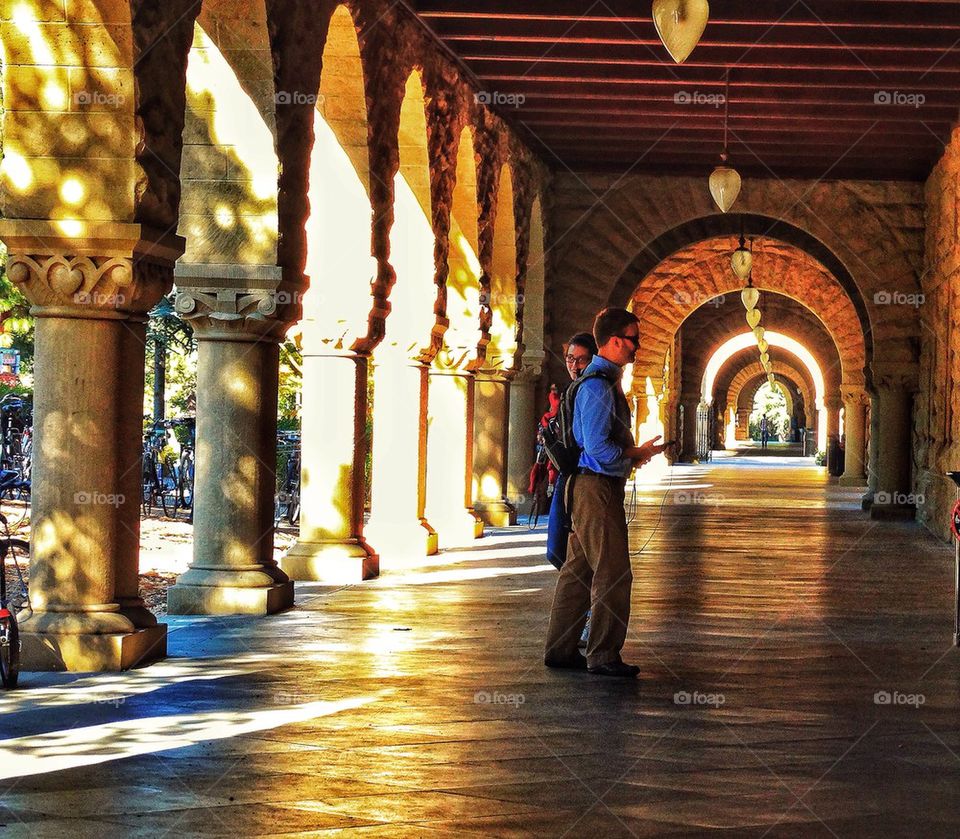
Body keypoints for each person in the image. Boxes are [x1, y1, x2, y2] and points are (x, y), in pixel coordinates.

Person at [543, 307, 670, 678]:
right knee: (613, 573)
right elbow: (597, 448)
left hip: (585, 487)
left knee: (578, 571)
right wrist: (634, 453)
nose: (637, 347)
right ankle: (603, 654)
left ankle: (560, 649)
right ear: (614, 340)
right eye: (633, 339)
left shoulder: (600, 381)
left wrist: (631, 457)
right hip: (595, 491)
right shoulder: (598, 385)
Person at [546, 332, 598, 570]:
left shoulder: (590, 389)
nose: (574, 366)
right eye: (569, 359)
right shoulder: (573, 388)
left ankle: (585, 602)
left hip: (581, 476)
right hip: (567, 474)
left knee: (566, 547)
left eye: (581, 360)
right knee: (560, 548)